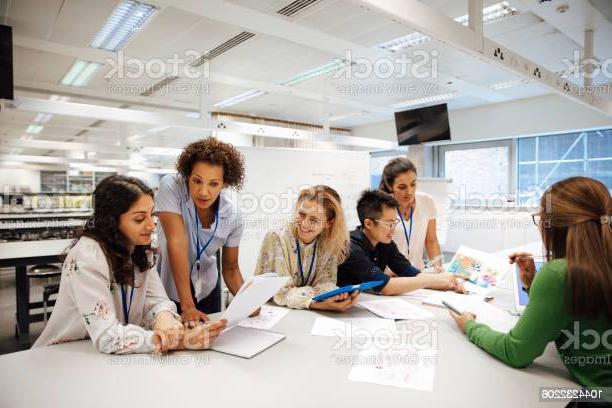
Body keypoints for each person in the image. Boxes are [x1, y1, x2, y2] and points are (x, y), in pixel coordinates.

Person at [450, 177, 611, 400]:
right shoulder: (599, 263)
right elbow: (579, 313)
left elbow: (516, 352)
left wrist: (470, 327)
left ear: (552, 225)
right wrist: (532, 285)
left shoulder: (560, 274)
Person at [34, 176, 226, 354]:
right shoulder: (87, 257)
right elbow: (108, 337)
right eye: (139, 219)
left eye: (152, 215)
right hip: (64, 355)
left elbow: (158, 301)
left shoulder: (138, 250)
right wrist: (182, 341)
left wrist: (165, 319)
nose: (151, 225)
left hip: (108, 358)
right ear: (112, 221)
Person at [155, 138, 248, 327]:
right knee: (174, 345)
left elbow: (231, 269)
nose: (203, 192)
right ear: (187, 175)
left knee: (211, 342)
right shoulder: (171, 187)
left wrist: (248, 302)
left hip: (207, 287)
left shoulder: (233, 214)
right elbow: (177, 242)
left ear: (225, 183)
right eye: (197, 181)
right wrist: (187, 306)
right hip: (170, 287)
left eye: (213, 184)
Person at [338, 190, 464, 295]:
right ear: (369, 224)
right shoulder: (352, 248)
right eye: (389, 223)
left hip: (363, 302)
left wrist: (446, 282)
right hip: (337, 310)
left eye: (394, 222)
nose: (393, 228)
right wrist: (431, 281)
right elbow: (385, 286)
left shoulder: (385, 243)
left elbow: (410, 272)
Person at [255, 185, 359, 311]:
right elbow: (281, 293)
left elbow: (327, 284)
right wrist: (317, 302)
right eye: (302, 214)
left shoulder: (329, 241)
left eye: (314, 220)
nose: (304, 224)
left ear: (329, 223)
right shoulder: (277, 237)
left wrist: (335, 294)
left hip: (306, 313)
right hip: (273, 312)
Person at [379, 157, 443, 271]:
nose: (409, 192)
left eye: (413, 184)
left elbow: (431, 241)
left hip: (418, 272)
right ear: (390, 186)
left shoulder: (427, 201)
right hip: (392, 275)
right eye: (402, 187)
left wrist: (437, 266)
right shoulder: (381, 208)